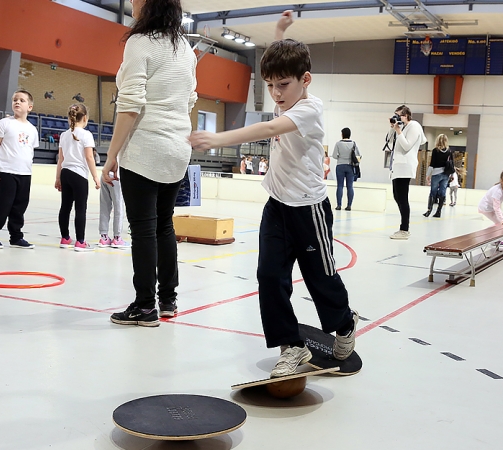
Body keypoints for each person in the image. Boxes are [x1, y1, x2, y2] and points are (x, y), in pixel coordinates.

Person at [189, 10, 358, 378]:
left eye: (283, 85)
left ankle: (345, 323)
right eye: (270, 86)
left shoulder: (310, 109)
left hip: (308, 210)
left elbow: (268, 128)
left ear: (305, 80)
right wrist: (280, 31)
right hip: (277, 207)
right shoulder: (286, 95)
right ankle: (291, 345)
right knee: (269, 276)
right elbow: (277, 72)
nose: (276, 94)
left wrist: (217, 138)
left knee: (321, 279)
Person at [103, 0, 198, 327]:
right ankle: (167, 300)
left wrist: (112, 155)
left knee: (143, 228)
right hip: (177, 148)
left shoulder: (139, 42)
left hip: (146, 147)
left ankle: (144, 307)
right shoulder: (186, 48)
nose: (131, 2)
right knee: (164, 224)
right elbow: (190, 100)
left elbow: (130, 106)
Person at [0, 89, 39, 249]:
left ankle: (16, 236)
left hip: (25, 172)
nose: (17, 102)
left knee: (20, 205)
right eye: (15, 100)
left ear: (30, 106)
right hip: (6, 171)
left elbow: (29, 150)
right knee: (4, 205)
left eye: (21, 100)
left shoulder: (32, 129)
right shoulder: (4, 124)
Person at [55, 104, 100, 251]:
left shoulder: (64, 135)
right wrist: (95, 177)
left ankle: (65, 237)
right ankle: (80, 241)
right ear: (85, 118)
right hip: (79, 175)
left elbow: (60, 159)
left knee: (65, 206)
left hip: (65, 173)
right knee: (80, 208)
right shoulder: (87, 135)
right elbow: (89, 157)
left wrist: (58, 178)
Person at [388, 105, 427, 238]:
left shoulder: (414, 126)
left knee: (402, 198)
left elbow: (406, 146)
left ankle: (404, 229)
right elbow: (388, 141)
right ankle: (403, 228)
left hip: (405, 166)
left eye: (398, 115)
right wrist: (393, 128)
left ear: (406, 115)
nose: (397, 117)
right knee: (397, 196)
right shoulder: (402, 127)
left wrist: (398, 131)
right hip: (397, 166)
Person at [98, 163, 128, 248]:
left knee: (104, 206)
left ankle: (104, 237)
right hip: (116, 175)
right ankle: (117, 238)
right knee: (119, 207)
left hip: (105, 174)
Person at [423, 134, 453, 218]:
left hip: (436, 173)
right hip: (446, 175)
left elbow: (432, 164)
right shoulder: (449, 151)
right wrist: (451, 174)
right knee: (442, 192)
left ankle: (429, 211)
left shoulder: (435, 151)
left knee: (433, 192)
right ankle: (438, 212)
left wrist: (428, 175)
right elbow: (452, 164)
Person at [332, 127, 361, 211]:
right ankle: (349, 206)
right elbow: (358, 155)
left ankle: (339, 205)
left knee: (340, 186)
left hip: (340, 165)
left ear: (342, 134)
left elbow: (334, 155)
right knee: (350, 186)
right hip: (350, 166)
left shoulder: (338, 144)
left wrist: (340, 157)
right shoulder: (353, 143)